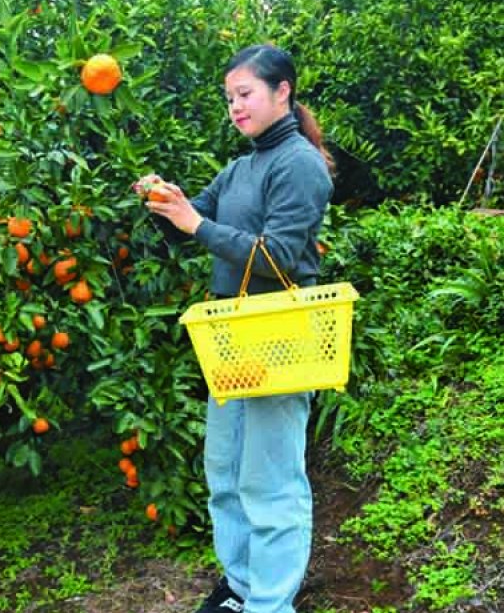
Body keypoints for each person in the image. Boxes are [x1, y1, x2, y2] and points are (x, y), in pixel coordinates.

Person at [137, 44, 335, 613]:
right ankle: (242, 588)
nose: (235, 107)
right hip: (231, 337)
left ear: (283, 91)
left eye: (244, 94)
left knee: (271, 481)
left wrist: (196, 223)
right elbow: (189, 227)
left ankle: (271, 603)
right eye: (229, 98)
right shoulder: (240, 167)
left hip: (278, 332)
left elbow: (277, 258)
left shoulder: (298, 163)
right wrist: (166, 203)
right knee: (225, 472)